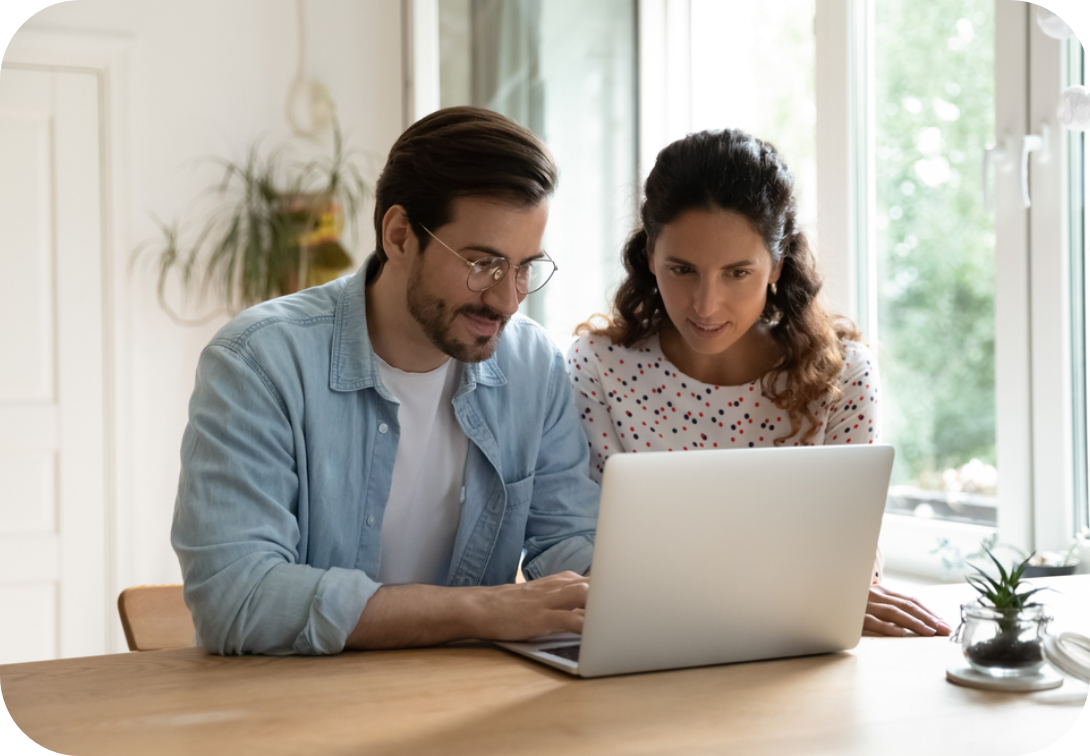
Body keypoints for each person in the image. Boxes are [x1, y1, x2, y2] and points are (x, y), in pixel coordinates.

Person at [172, 107, 596, 655]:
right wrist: (482, 610)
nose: (508, 297)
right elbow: (237, 596)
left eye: (523, 267)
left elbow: (568, 543)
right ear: (399, 236)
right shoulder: (258, 362)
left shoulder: (533, 365)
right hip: (296, 713)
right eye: (483, 263)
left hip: (468, 704)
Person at [566, 128, 952, 638]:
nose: (705, 305)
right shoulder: (599, 367)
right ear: (649, 256)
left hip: (796, 649)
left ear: (776, 265)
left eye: (737, 273)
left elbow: (852, 560)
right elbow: (587, 560)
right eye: (681, 269)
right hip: (649, 645)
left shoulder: (842, 376)